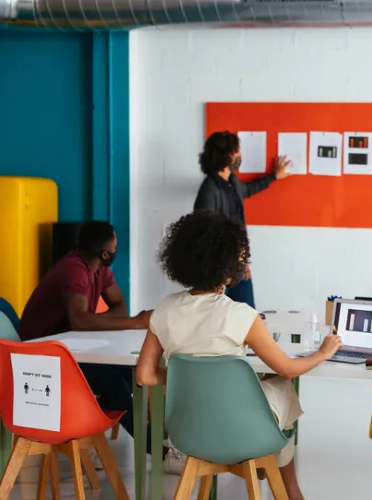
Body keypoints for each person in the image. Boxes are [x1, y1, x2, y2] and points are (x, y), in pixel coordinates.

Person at [136, 210, 342, 499]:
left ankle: (269, 460)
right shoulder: (242, 315)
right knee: (279, 384)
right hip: (241, 427)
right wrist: (323, 352)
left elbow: (145, 375)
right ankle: (285, 483)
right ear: (228, 265)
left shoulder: (164, 310)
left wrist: (190, 380)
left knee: (267, 392)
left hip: (188, 430)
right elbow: (288, 369)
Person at [18, 221, 159, 464]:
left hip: (69, 349)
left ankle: (90, 435)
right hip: (41, 358)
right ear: (105, 254)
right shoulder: (74, 270)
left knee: (127, 372)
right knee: (113, 383)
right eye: (114, 246)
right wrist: (134, 323)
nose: (116, 249)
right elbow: (79, 321)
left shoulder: (99, 269)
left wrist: (96, 320)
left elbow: (118, 306)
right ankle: (155, 450)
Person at [193, 131, 291, 309]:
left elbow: (250, 189)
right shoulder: (209, 189)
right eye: (236, 151)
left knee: (247, 319)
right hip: (219, 271)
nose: (240, 155)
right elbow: (203, 233)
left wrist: (274, 176)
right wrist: (224, 267)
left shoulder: (232, 182)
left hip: (238, 267)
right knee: (217, 321)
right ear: (224, 155)